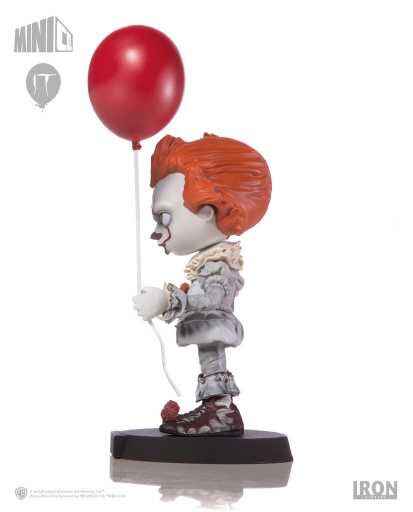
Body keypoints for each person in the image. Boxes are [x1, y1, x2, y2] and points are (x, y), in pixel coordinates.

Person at [133, 133, 271, 436]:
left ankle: (221, 410)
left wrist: (167, 301)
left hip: (214, 324)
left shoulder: (220, 265)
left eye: (164, 217)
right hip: (208, 326)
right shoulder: (208, 263)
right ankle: (216, 408)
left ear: (207, 210)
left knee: (212, 359)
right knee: (209, 358)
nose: (156, 232)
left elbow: (209, 301)